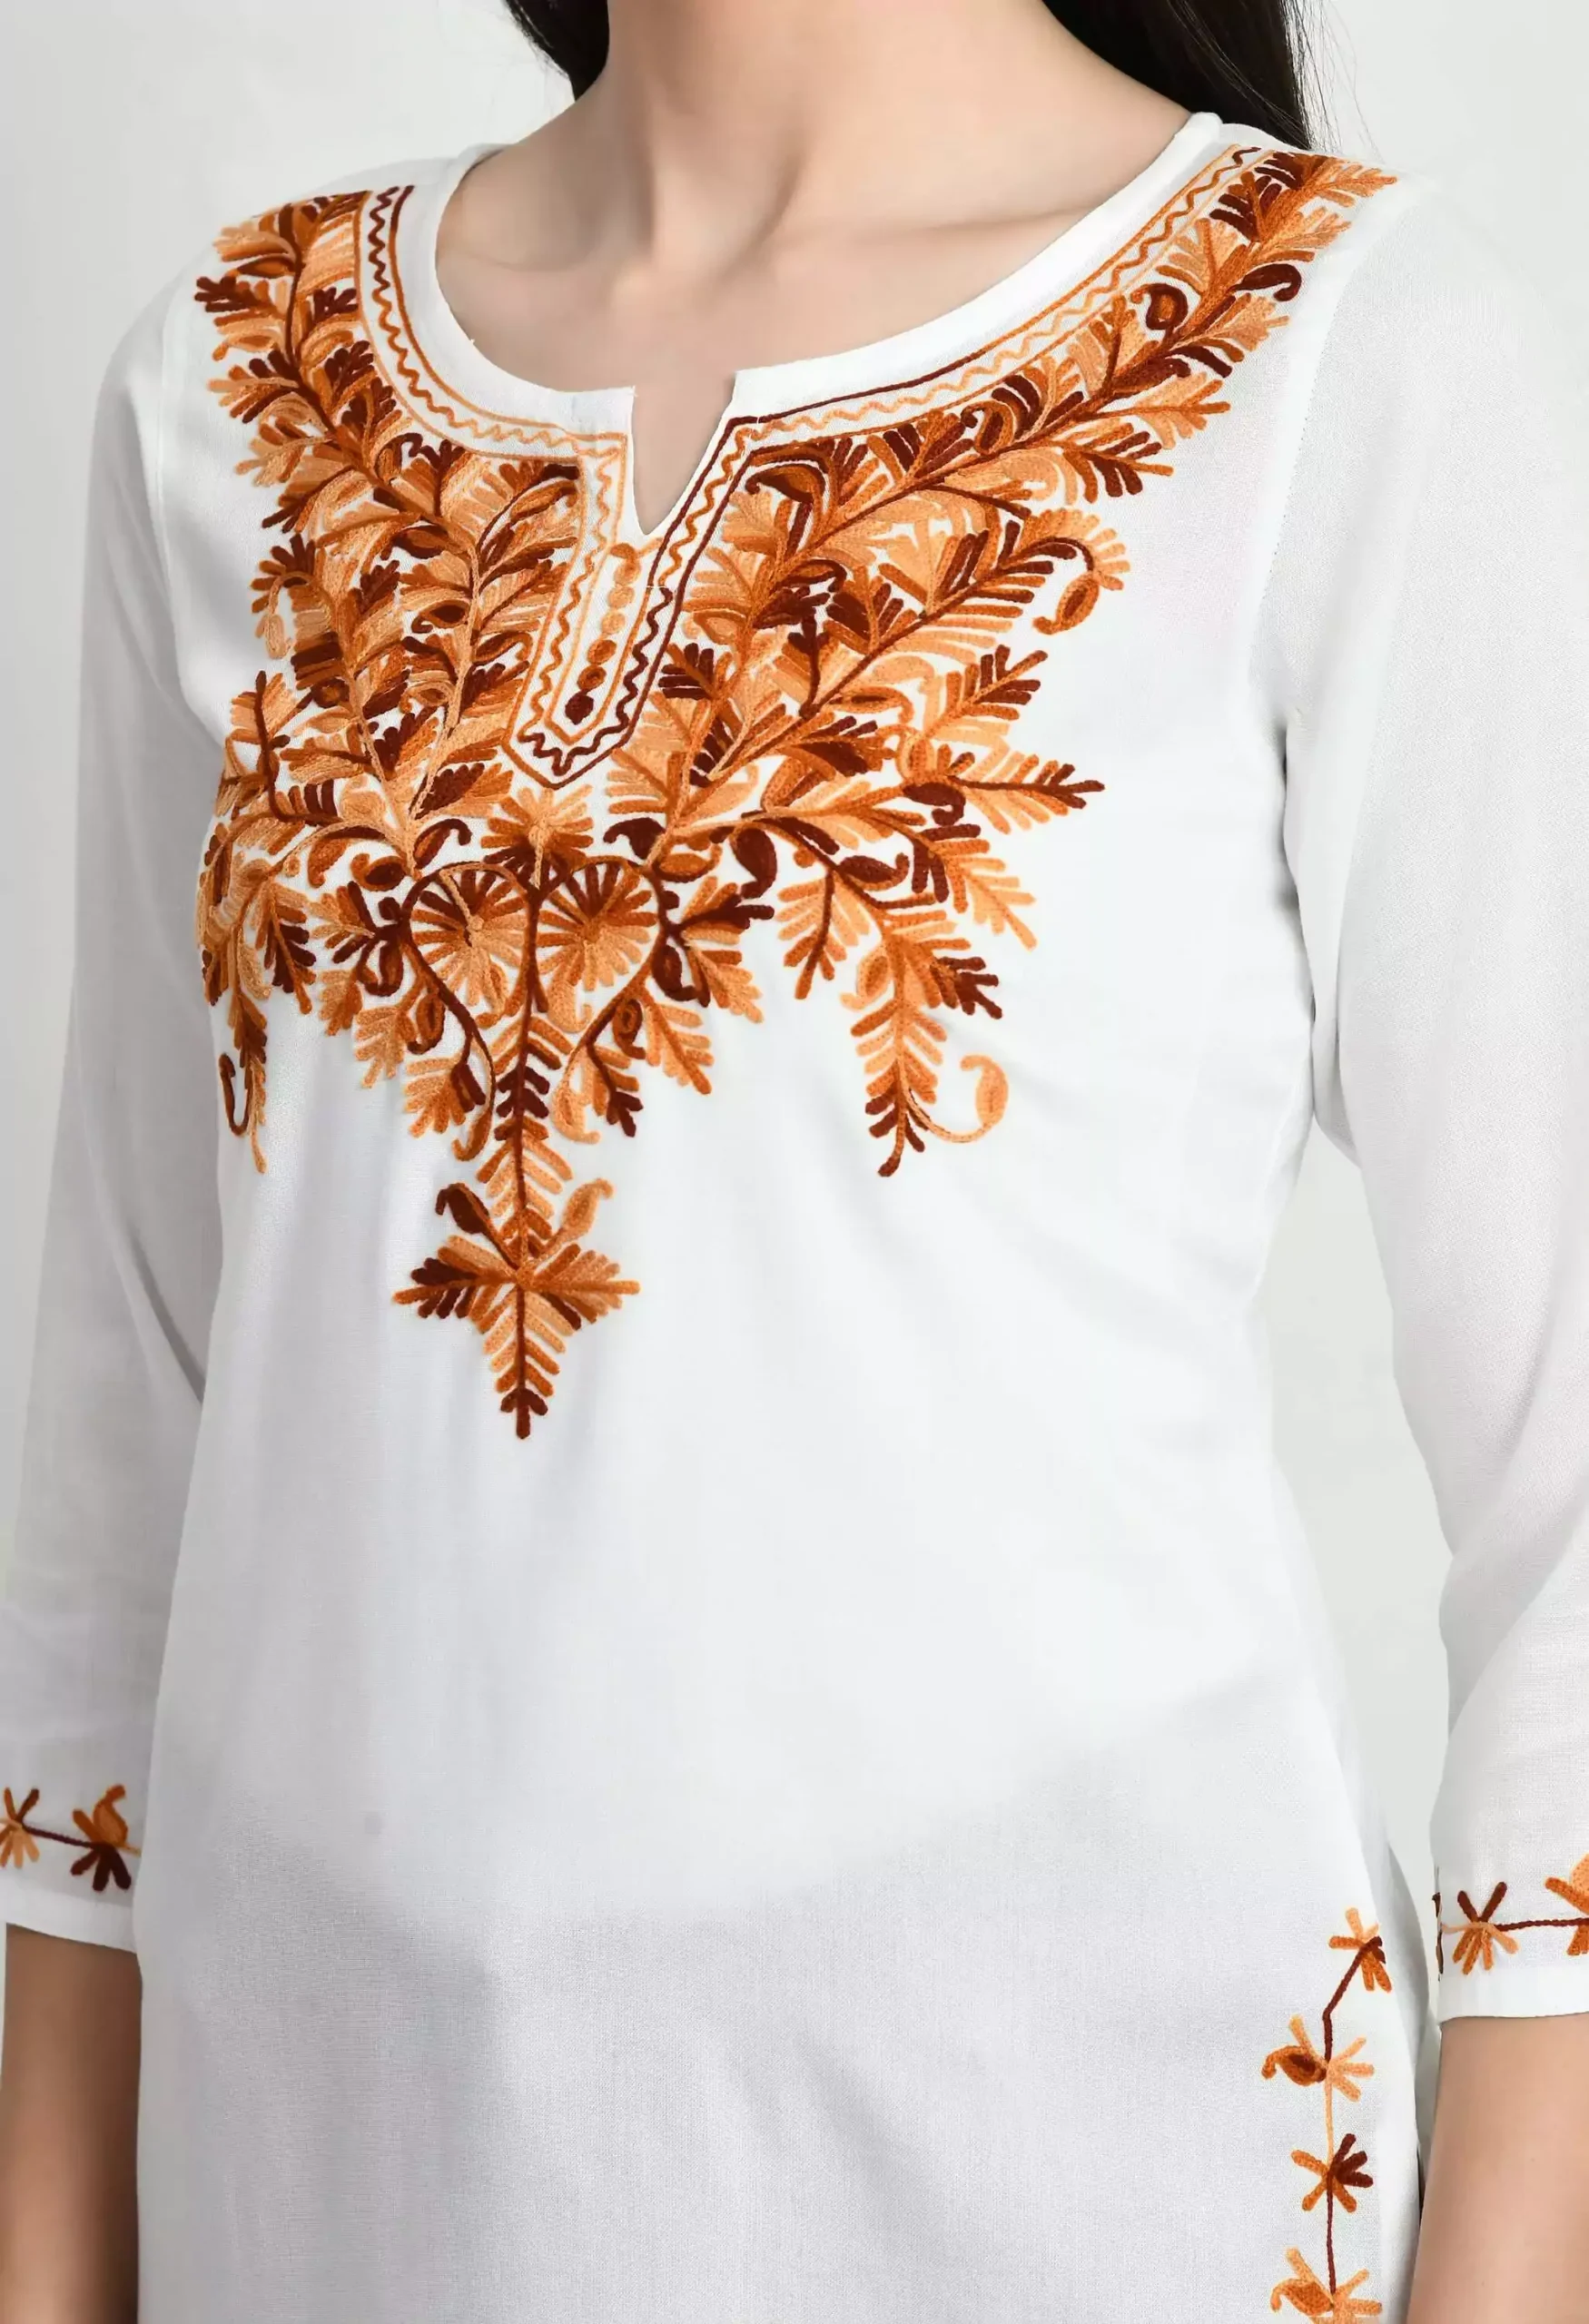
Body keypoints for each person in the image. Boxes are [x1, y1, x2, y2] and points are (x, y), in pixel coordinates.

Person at [2, 0, 1587, 2315]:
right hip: (324, 2194)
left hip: (1095, 2190)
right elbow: (123, 1461)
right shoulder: (237, 380)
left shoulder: (1340, 358)